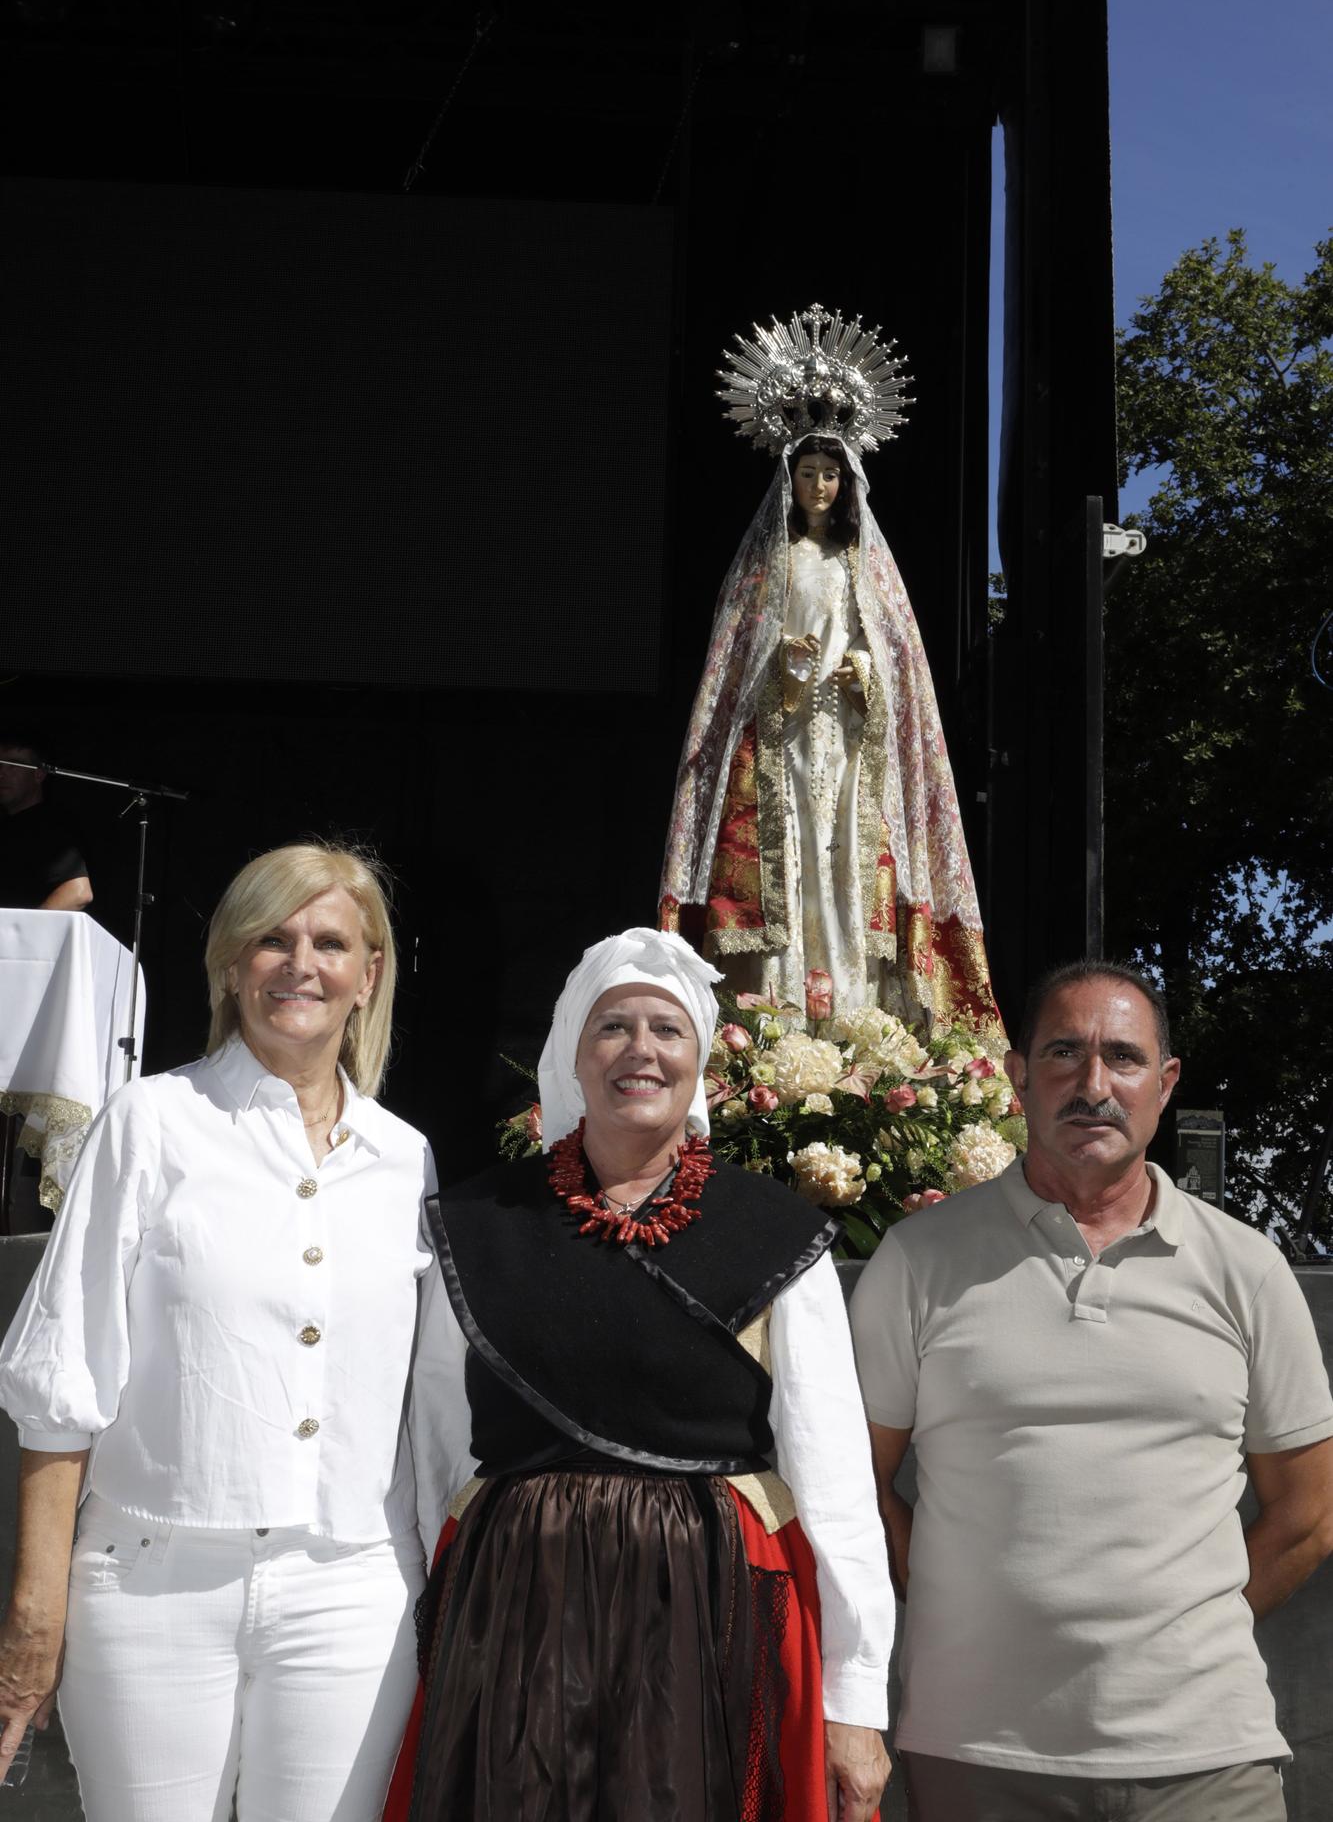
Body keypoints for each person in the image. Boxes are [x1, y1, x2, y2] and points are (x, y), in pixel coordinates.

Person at [389, 926, 894, 1822]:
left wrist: (854, 1698)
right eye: (611, 1027)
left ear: (700, 1061)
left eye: (666, 1031)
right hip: (517, 1601)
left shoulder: (769, 1233)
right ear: (571, 1058)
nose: (639, 1051)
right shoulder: (479, 1222)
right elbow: (434, 1446)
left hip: (703, 1601)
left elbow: (833, 1471)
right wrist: (433, 1615)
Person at [0, 842, 435, 1822]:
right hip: (151, 1587)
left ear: (369, 975)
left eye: (330, 941)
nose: (300, 963)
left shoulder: (407, 1161)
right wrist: (34, 1606)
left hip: (353, 1591)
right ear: (232, 963)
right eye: (272, 938)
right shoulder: (151, 1122)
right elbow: (60, 1376)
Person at [851, 960, 1333, 1822]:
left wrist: (1186, 1628)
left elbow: (1309, 1513)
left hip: (1206, 1760)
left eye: (1122, 1057)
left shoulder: (1245, 1269)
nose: (1092, 1084)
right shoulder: (918, 1260)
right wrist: (958, 1598)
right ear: (1016, 1075)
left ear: (1164, 1083)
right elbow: (854, 1482)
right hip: (976, 1753)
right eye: (1063, 1054)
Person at [660, 303, 998, 1032]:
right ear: (791, 480)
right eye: (808, 473)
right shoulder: (762, 572)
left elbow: (901, 669)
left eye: (830, 476)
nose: (819, 487)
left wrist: (863, 677)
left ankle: (853, 1012)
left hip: (847, 743)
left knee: (845, 863)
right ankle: (777, 1017)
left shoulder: (865, 572)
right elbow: (728, 675)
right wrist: (778, 663)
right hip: (780, 743)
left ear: (847, 485)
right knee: (791, 867)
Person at [0, 740, 92, 910]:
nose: (2, 774)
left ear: (39, 774)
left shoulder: (50, 825)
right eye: (0, 766)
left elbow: (78, 892)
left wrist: (24, 932)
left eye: (13, 766)